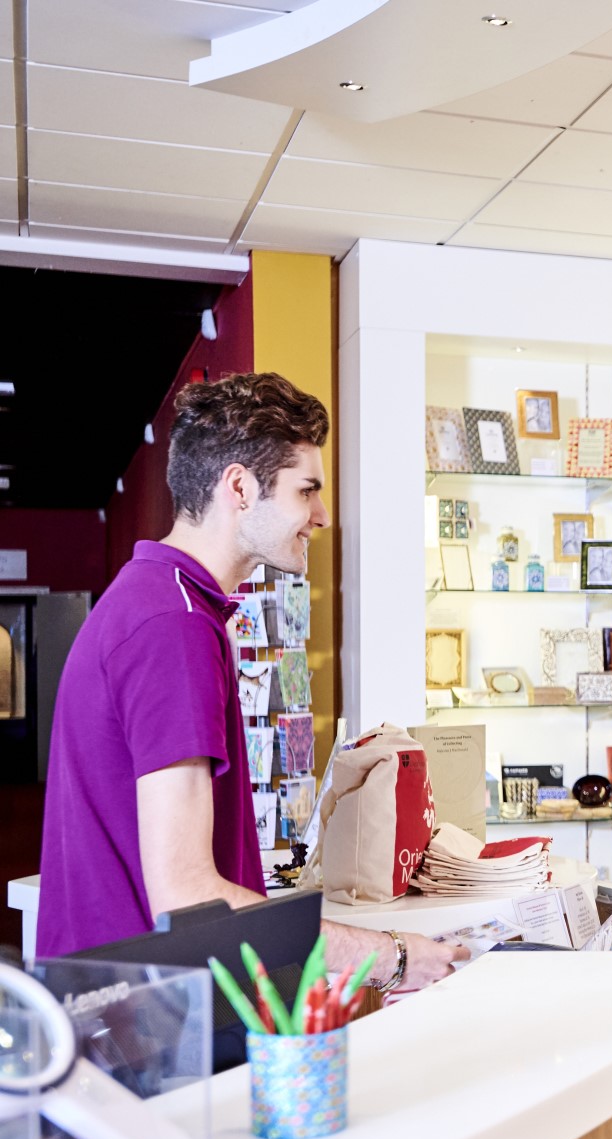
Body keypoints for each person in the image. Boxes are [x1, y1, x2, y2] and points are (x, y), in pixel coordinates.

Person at [39, 372, 459, 994]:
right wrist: (392, 956)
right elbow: (185, 895)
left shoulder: (157, 603)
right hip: (148, 1023)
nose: (321, 515)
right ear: (239, 486)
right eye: (306, 490)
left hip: (130, 1005)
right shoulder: (172, 628)